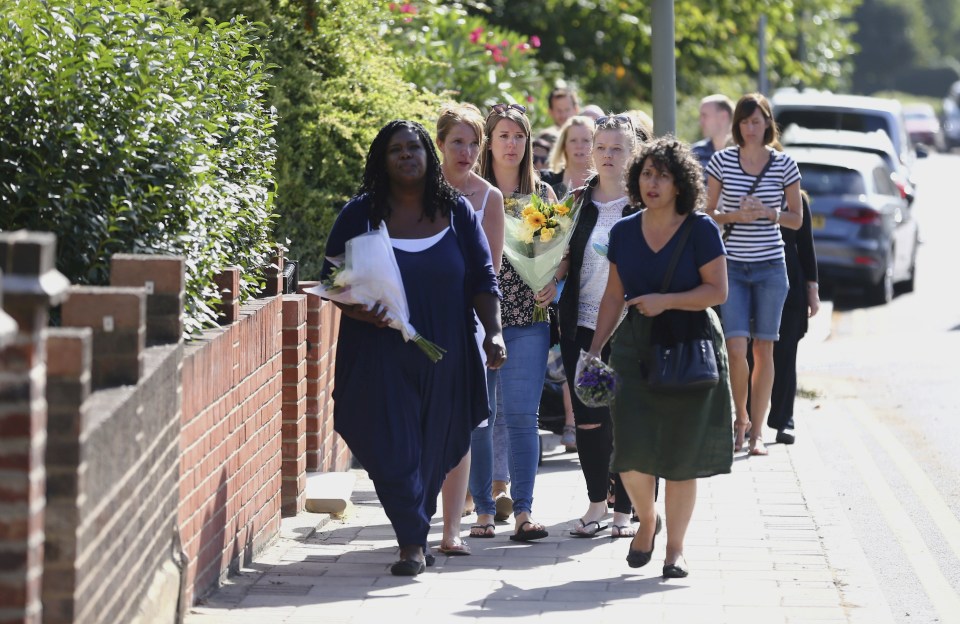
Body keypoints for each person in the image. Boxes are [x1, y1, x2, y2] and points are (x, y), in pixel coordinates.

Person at [320, 120, 505, 576]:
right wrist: (364, 311)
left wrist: (494, 331)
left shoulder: (457, 211)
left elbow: (483, 278)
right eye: (395, 150)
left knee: (432, 445)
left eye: (414, 148)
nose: (406, 156)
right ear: (382, 160)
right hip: (378, 351)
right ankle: (410, 542)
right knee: (396, 448)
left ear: (429, 156)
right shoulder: (359, 214)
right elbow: (331, 279)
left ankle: (415, 533)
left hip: (447, 350)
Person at [588, 136, 732, 578]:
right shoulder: (624, 232)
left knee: (680, 455)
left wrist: (665, 301)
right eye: (646, 173)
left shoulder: (700, 228)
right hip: (634, 349)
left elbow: (717, 291)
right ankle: (646, 520)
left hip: (690, 344)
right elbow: (613, 297)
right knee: (630, 448)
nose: (652, 183)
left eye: (662, 175)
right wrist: (594, 350)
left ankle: (675, 551)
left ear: (679, 183)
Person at [470, 102, 558, 542]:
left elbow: (558, 257)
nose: (512, 144)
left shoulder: (543, 197)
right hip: (480, 321)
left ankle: (523, 511)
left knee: (524, 417)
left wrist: (554, 282)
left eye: (519, 136)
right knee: (481, 418)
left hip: (529, 320)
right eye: (503, 135)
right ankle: (484, 510)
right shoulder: (472, 194)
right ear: (489, 142)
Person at [553, 114, 639, 538]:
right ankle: (595, 505)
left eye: (616, 148)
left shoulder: (643, 202)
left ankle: (626, 510)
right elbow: (565, 256)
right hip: (582, 326)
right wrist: (548, 276)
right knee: (589, 418)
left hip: (631, 330)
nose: (606, 155)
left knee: (625, 419)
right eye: (600, 147)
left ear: (631, 152)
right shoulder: (576, 201)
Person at [704, 93, 803, 455]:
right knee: (735, 347)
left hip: (770, 266)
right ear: (737, 126)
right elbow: (707, 213)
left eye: (757, 121)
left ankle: (758, 432)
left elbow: (796, 218)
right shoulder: (722, 161)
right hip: (731, 265)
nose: (751, 128)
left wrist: (768, 212)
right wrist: (734, 217)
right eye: (745, 122)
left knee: (765, 348)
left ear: (768, 125)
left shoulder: (784, 164)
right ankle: (740, 418)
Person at [435, 103, 505, 556]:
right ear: (439, 144)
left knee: (471, 418)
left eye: (473, 143)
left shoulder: (488, 198)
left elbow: (490, 272)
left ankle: (472, 508)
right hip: (422, 319)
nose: (466, 151)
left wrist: (490, 331)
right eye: (457, 142)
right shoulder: (418, 192)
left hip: (469, 323)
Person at [748, 191, 820, 444]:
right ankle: (748, 419)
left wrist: (813, 291)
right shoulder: (742, 195)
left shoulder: (796, 200)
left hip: (790, 286)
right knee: (751, 353)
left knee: (785, 354)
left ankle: (783, 421)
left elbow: (806, 246)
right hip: (750, 282)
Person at [540, 115, 596, 198]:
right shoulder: (545, 180)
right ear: (563, 145)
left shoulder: (604, 182)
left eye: (586, 140)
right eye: (573, 140)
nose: (579, 146)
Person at [691, 94, 734, 174]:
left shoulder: (744, 153)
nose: (700, 122)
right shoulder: (695, 153)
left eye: (704, 116)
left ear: (723, 117)